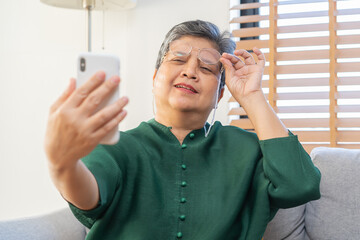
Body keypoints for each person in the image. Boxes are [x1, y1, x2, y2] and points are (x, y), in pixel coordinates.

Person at [44, 20, 321, 240]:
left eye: (207, 67)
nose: (190, 71)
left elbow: (300, 184)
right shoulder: (117, 146)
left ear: (221, 93)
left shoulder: (248, 150)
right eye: (178, 59)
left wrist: (252, 96)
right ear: (155, 79)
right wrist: (62, 164)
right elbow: (88, 198)